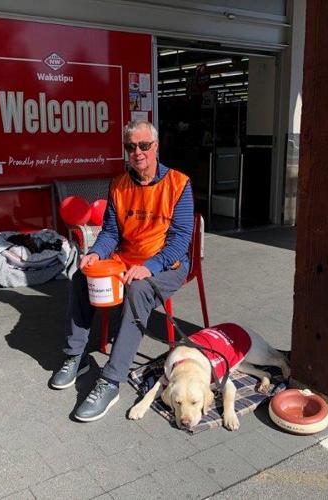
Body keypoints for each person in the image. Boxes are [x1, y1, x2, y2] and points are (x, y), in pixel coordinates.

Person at [50, 120, 194, 422]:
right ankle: (76, 356)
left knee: (137, 290)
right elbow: (111, 233)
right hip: (126, 259)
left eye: (144, 145)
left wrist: (150, 267)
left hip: (167, 264)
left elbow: (181, 240)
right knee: (81, 277)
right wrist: (95, 253)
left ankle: (111, 381)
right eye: (131, 147)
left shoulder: (179, 183)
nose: (137, 152)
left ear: (156, 147)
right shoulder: (118, 184)